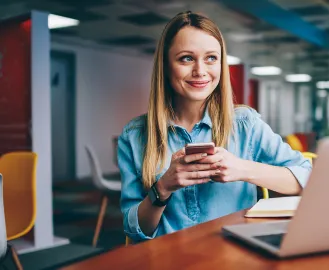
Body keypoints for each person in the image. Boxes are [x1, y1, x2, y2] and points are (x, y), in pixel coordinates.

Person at [117, 11, 312, 242]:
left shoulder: (245, 125)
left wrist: (242, 169)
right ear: (166, 66)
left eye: (211, 58)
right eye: (186, 58)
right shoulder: (135, 136)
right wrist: (163, 188)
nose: (200, 70)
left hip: (236, 255)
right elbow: (134, 229)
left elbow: (307, 178)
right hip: (168, 259)